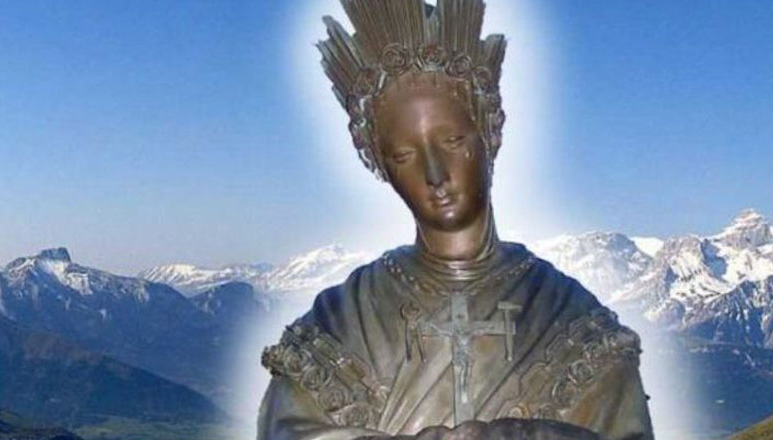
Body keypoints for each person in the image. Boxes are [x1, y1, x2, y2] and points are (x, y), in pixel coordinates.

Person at [258, 1, 653, 438]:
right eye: (403, 155)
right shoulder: (342, 318)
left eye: (451, 140)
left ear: (489, 134)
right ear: (382, 167)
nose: (434, 174)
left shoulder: (571, 317)